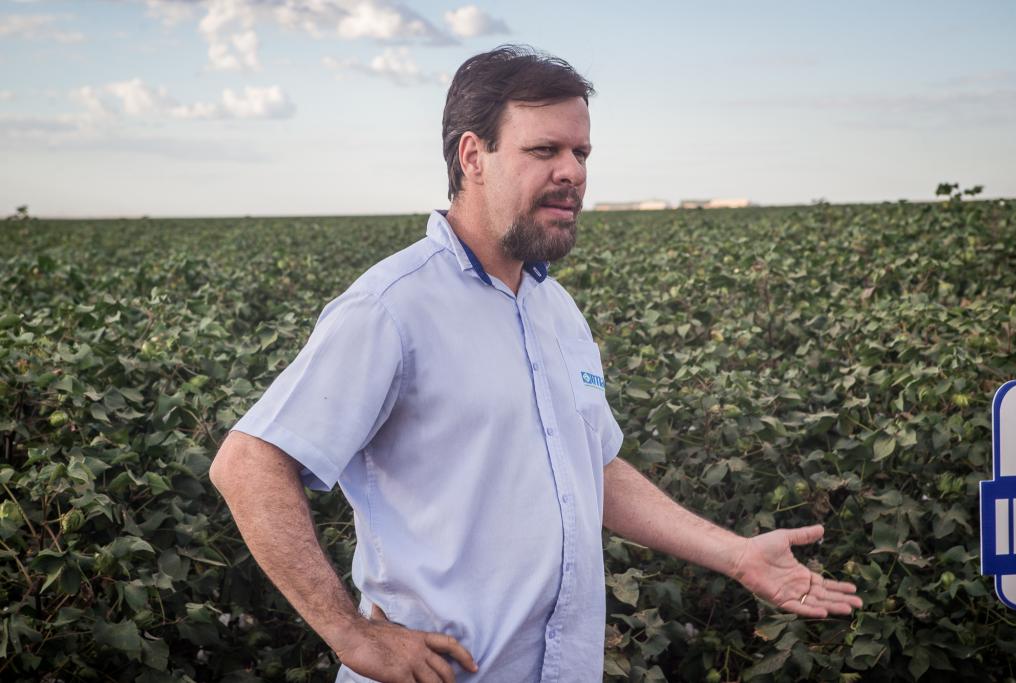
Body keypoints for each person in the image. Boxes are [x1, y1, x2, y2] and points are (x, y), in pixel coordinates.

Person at [209, 45, 862, 683]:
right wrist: (351, 632)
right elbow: (248, 463)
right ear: (474, 157)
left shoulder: (557, 309)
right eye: (545, 150)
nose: (573, 171)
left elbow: (593, 468)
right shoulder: (393, 307)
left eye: (581, 152)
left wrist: (739, 555)